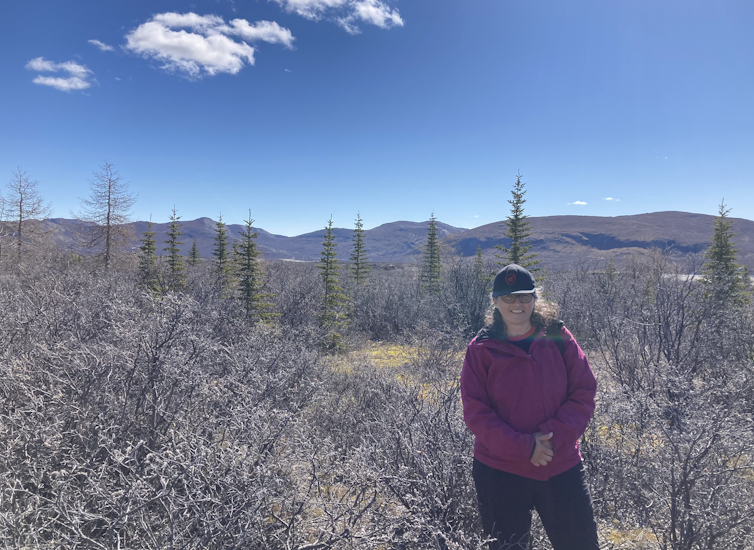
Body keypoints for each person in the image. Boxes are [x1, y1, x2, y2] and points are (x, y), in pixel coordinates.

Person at [460, 264, 599, 550]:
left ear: (535, 299)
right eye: (508, 297)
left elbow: (584, 391)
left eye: (524, 296)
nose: (517, 304)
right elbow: (476, 411)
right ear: (495, 302)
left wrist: (550, 440)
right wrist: (525, 447)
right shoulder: (481, 348)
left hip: (559, 464)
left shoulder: (559, 337)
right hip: (500, 471)